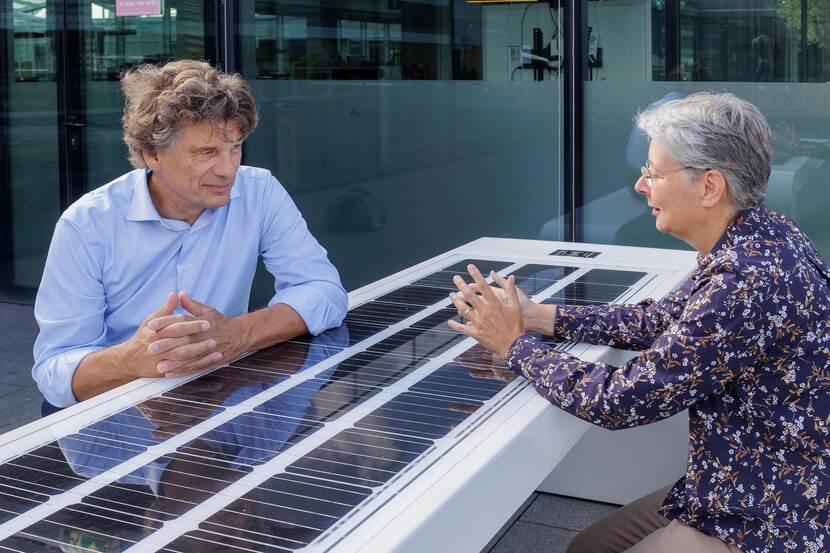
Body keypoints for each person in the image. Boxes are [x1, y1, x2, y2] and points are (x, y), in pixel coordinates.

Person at [447, 92, 830, 553]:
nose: (640, 186)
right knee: (586, 548)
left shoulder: (745, 282)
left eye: (652, 173)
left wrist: (514, 344)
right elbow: (662, 320)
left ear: (709, 187)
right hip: (749, 476)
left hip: (768, 515)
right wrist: (537, 316)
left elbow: (620, 401)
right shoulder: (764, 234)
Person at [33, 60, 348, 409]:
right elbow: (54, 371)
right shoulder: (87, 225)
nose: (228, 170)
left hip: (219, 396)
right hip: (118, 410)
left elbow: (324, 290)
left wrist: (238, 334)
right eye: (206, 152)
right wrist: (132, 359)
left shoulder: (259, 193)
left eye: (235, 147)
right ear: (153, 153)